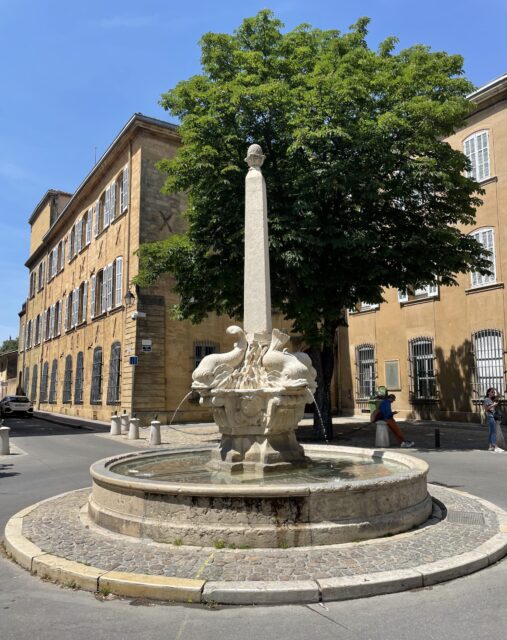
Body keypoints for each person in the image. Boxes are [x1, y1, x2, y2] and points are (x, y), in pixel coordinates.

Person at [484, 388, 504, 453]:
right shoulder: (486, 399)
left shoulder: (491, 399)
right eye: (492, 392)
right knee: (494, 432)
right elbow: (486, 409)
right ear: (488, 393)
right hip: (490, 416)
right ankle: (495, 447)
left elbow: (499, 396)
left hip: (491, 416)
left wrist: (496, 390)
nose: (493, 393)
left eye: (494, 392)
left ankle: (490, 446)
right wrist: (493, 405)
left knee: (491, 432)